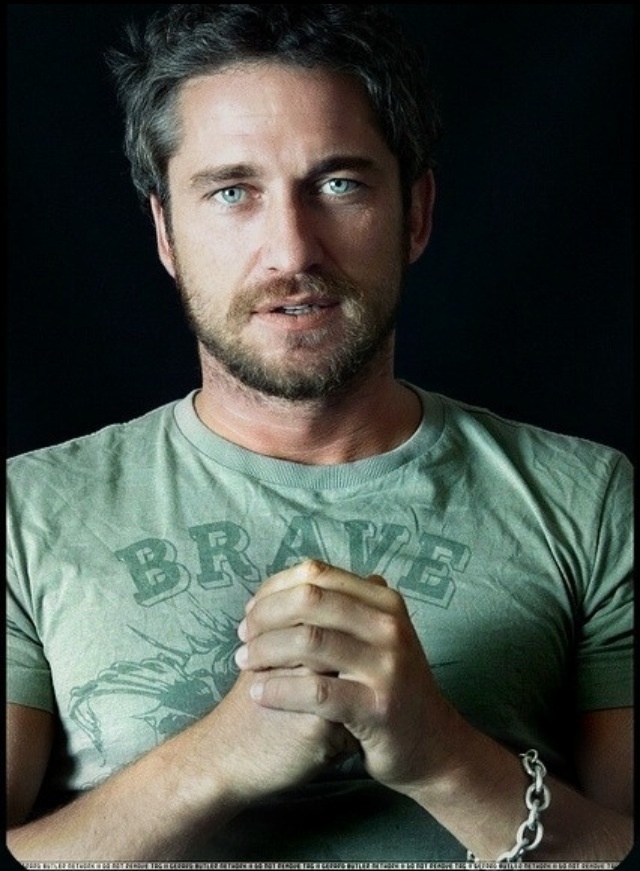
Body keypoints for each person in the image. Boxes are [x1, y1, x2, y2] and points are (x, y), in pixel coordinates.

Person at [6, 4, 633, 866]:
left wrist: (440, 755)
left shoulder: (590, 501)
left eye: (339, 184)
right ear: (166, 234)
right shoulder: (26, 513)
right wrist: (219, 759)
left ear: (416, 213)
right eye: (233, 192)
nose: (292, 250)